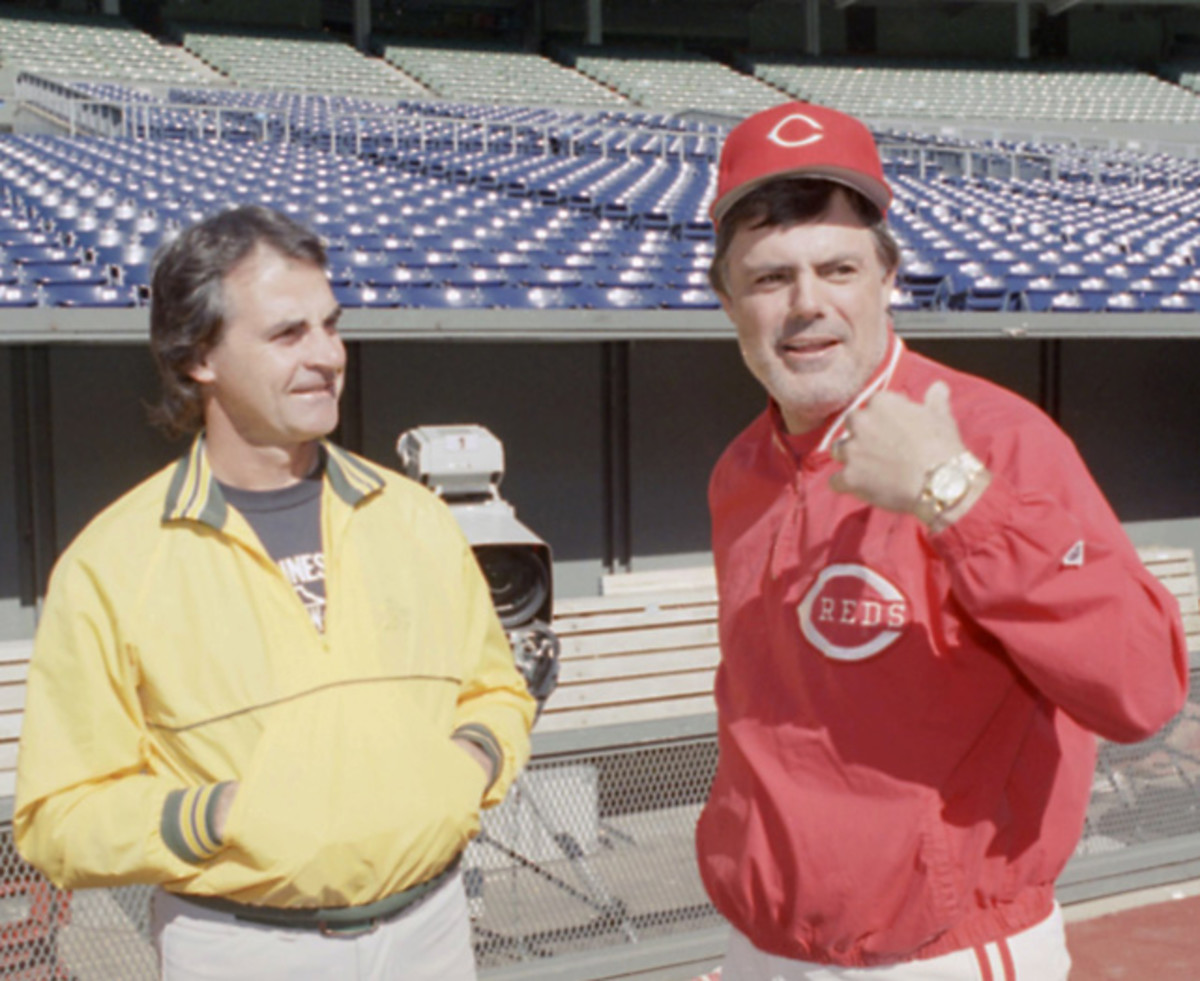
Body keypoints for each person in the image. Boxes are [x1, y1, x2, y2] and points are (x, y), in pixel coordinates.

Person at [696, 101, 1189, 980]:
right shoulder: (740, 469)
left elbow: (1142, 688)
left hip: (943, 956)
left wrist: (955, 496)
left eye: (838, 267)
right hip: (765, 949)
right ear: (726, 297)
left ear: (889, 278)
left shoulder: (996, 439)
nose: (808, 305)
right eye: (770, 278)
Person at [14, 205, 536, 981]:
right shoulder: (110, 563)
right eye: (288, 334)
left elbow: (497, 688)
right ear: (198, 357)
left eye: (331, 325)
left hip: (434, 927)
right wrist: (222, 815)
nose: (328, 354)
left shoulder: (416, 518)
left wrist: (468, 765)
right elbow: (58, 815)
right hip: (243, 946)